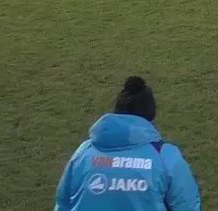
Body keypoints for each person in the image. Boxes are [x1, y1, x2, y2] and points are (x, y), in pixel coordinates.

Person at [54, 76, 201, 211]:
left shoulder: (84, 153)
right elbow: (187, 206)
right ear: (150, 112)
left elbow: (62, 205)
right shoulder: (165, 156)